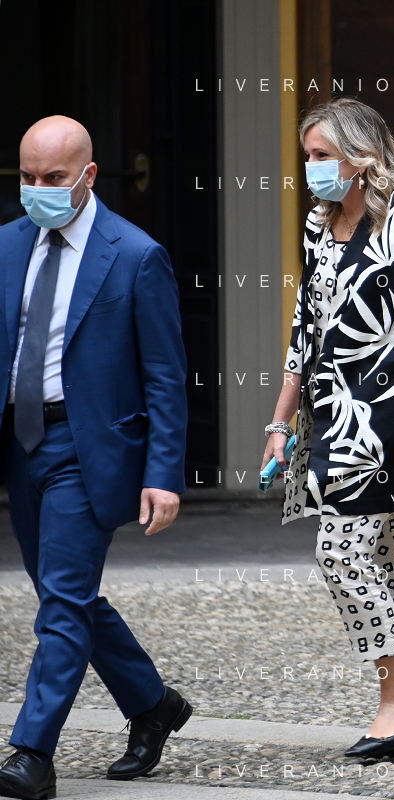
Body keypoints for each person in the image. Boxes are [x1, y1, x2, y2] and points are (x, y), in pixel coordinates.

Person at [262, 97, 394, 761]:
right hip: (333, 414)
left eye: (322, 155)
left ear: (361, 158)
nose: (312, 167)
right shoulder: (320, 224)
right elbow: (306, 327)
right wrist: (279, 421)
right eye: (308, 156)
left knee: (341, 553)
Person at [0, 116, 190, 800]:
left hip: (88, 450)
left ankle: (31, 752)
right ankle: (153, 704)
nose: (39, 189)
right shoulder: (7, 244)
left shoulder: (136, 255)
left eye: (53, 178)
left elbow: (165, 376)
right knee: (65, 593)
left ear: (88, 176)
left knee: (61, 601)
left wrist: (163, 475)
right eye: (28, 177)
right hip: (21, 442)